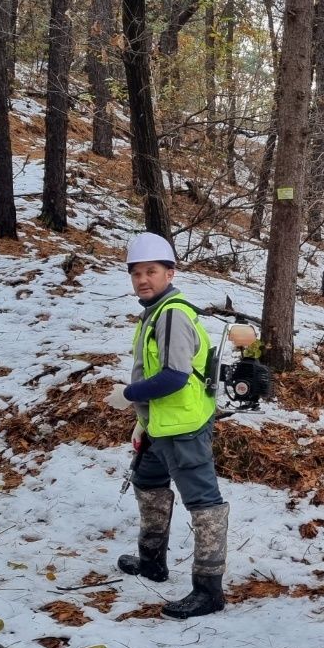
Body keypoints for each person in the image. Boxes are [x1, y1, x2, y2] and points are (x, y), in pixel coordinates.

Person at [106, 232, 228, 619]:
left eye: (151, 271)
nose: (143, 279)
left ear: (170, 273)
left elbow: (174, 376)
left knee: (204, 502)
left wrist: (129, 393)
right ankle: (152, 562)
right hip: (159, 423)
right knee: (147, 483)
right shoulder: (153, 312)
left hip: (184, 426)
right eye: (136, 273)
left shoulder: (173, 313)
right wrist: (143, 418)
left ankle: (209, 591)